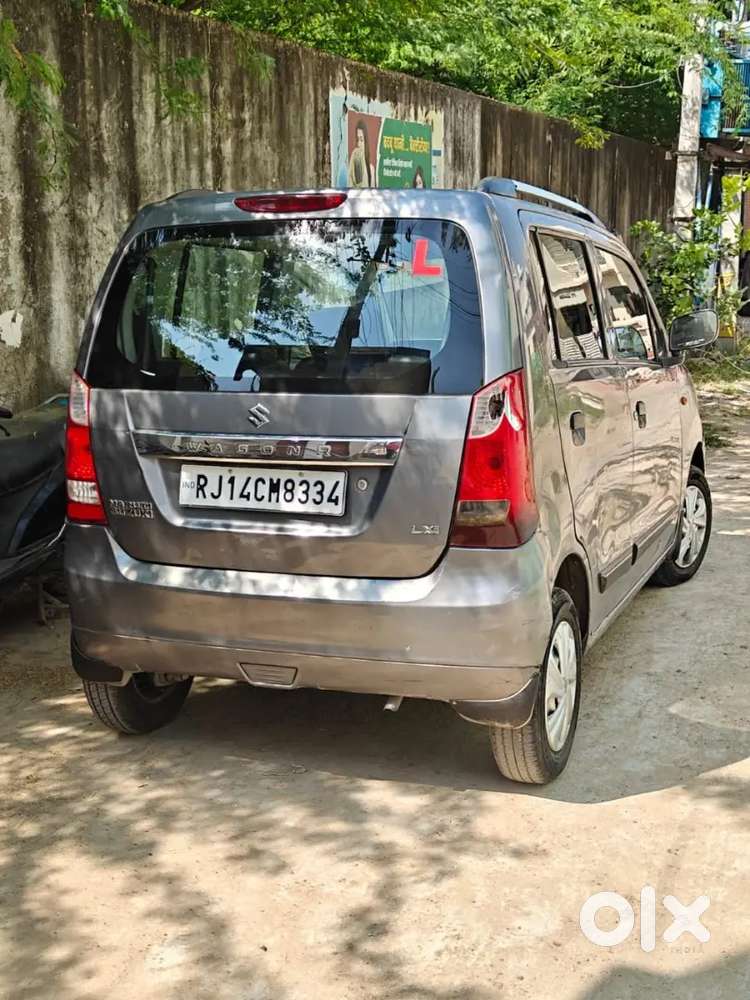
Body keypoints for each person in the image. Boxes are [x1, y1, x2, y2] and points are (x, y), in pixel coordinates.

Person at [348, 121, 375, 188]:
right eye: (357, 140)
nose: (359, 144)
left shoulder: (371, 169)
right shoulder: (352, 164)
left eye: (361, 140)